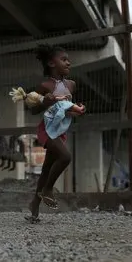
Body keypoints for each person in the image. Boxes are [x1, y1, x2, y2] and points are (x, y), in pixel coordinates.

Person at [23, 44, 85, 222]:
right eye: (64, 59)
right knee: (65, 157)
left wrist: (79, 110)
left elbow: (66, 109)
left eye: (69, 60)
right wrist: (44, 101)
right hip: (47, 129)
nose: (68, 63)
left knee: (47, 168)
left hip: (60, 130)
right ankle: (48, 190)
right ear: (51, 63)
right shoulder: (45, 85)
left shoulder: (71, 85)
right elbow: (32, 109)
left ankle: (34, 204)